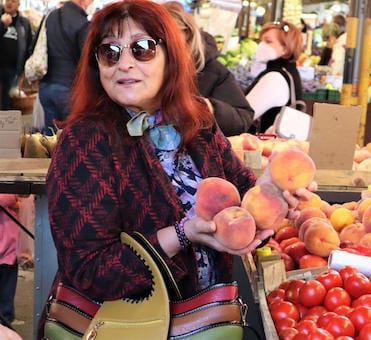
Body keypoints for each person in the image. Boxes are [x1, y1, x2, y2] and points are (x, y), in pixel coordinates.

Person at [38, 0, 313, 336]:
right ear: (97, 64)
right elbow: (89, 270)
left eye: (142, 48)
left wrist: (271, 188)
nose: (124, 63)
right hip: (125, 327)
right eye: (110, 52)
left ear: (171, 57)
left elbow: (240, 191)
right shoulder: (85, 141)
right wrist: (183, 234)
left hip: (206, 320)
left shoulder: (195, 119)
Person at [163, 1, 254, 137]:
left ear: (186, 33)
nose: (163, 41)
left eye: (168, 33)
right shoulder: (144, 70)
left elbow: (243, 118)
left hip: (196, 152)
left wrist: (210, 108)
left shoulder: (213, 71)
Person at [37, 0, 92, 135]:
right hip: (69, 89)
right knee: (72, 139)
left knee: (49, 139)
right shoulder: (83, 23)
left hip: (45, 88)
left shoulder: (49, 16)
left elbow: (34, 47)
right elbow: (87, 61)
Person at [245, 20, 303, 133]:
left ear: (285, 49)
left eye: (268, 41)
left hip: (268, 147)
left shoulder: (275, 77)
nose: (261, 45)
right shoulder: (288, 71)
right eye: (261, 41)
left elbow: (242, 115)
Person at [0, 0, 32, 110]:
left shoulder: (24, 23)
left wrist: (24, 68)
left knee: (9, 105)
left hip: (13, 71)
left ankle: (7, 127)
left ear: (18, 4)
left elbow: (29, 46)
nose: (9, 3)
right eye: (7, 0)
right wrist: (2, 24)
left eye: (13, 1)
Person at [0, 194, 20, 328]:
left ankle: (5, 324)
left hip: (9, 253)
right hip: (8, 250)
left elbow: (19, 195)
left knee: (6, 297)